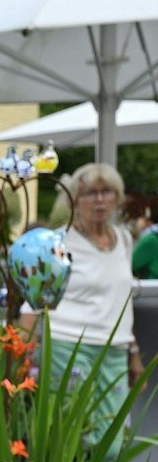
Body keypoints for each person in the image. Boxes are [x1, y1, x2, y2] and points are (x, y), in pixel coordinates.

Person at [33, 162, 143, 419]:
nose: (99, 200)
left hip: (114, 349)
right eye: (90, 193)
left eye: (107, 192)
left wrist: (133, 350)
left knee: (111, 440)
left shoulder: (124, 239)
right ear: (75, 199)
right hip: (67, 346)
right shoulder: (57, 242)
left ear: (117, 197)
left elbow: (120, 300)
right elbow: (34, 302)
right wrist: (22, 356)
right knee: (73, 434)